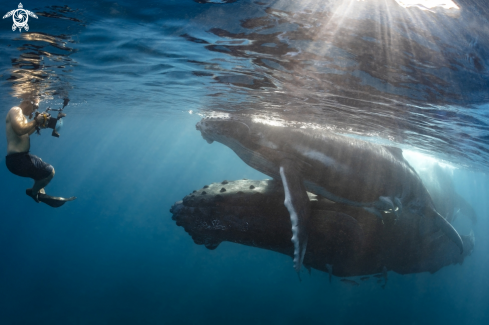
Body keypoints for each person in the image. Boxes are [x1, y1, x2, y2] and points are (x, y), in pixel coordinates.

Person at [5, 98, 55, 202]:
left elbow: (25, 134)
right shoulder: (16, 110)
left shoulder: (20, 115)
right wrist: (36, 120)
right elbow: (20, 130)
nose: (34, 110)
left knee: (40, 163)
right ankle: (33, 192)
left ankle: (38, 189)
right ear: (27, 101)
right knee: (50, 172)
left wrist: (38, 124)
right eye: (35, 106)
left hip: (17, 160)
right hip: (17, 160)